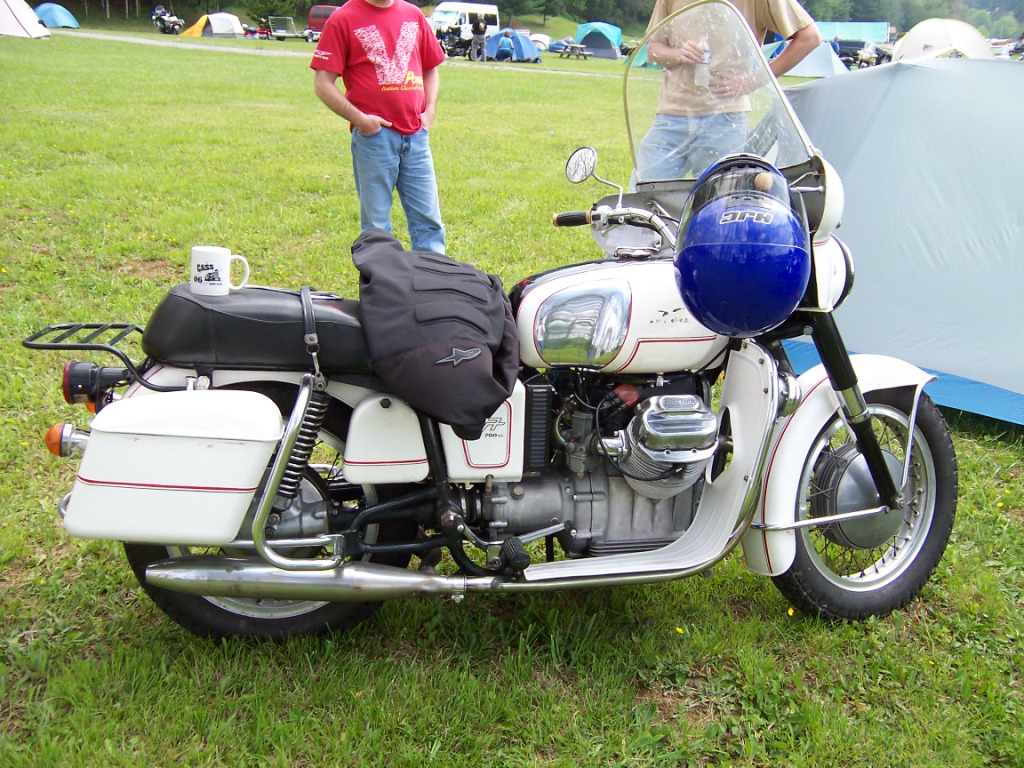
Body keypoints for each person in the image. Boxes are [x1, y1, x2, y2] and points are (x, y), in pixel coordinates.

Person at [311, 0, 447, 255]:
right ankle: (383, 289)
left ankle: (432, 289)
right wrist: (361, 120)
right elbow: (322, 83)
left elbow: (430, 68)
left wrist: (429, 112)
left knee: (429, 224)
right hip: (375, 139)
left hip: (416, 135)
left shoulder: (413, 15)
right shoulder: (344, 18)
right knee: (377, 228)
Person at [636, 0, 821, 182]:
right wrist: (678, 54)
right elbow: (653, 48)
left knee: (718, 202)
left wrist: (751, 82)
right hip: (670, 116)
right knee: (645, 196)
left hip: (725, 121)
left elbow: (809, 37)